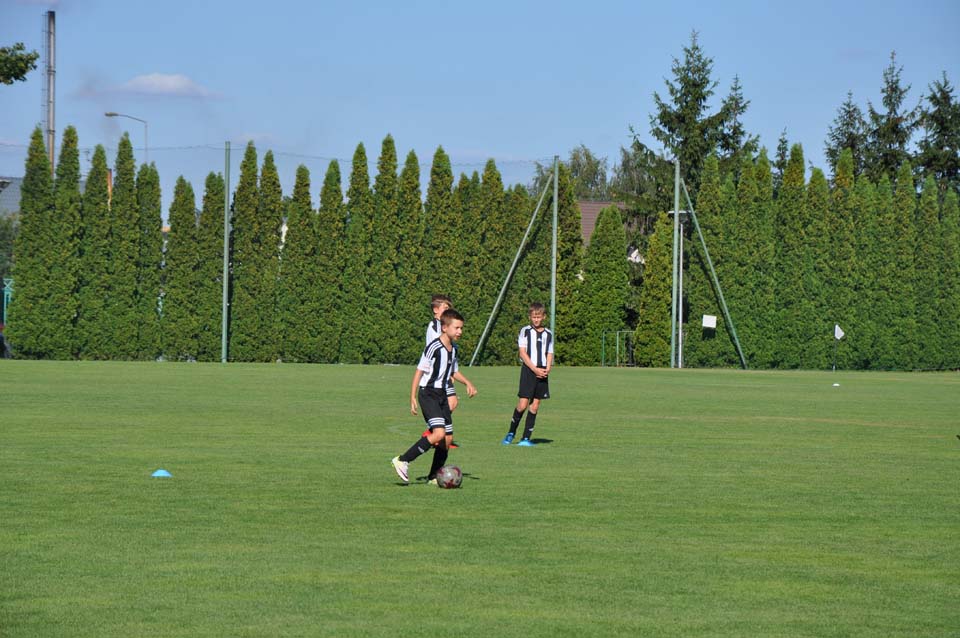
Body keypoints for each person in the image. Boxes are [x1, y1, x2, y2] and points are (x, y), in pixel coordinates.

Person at [392, 308, 477, 485]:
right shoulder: (434, 347)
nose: (460, 331)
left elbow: (453, 371)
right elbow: (419, 371)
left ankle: (433, 476)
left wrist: (467, 383)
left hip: (442, 395)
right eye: (457, 328)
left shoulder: (453, 349)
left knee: (447, 439)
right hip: (428, 394)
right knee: (438, 434)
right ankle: (403, 460)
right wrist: (412, 397)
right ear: (445, 328)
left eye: (461, 328)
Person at [502, 302, 553, 446]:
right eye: (534, 317)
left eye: (539, 317)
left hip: (542, 371)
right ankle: (511, 432)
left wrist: (548, 368)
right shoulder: (525, 331)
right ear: (530, 317)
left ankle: (525, 438)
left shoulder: (548, 334)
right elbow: (522, 353)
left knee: (535, 405)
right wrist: (535, 369)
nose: (536, 319)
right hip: (529, 370)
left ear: (543, 317)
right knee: (523, 404)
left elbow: (549, 352)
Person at [423, 294, 461, 448]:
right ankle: (435, 433)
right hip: (437, 374)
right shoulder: (434, 326)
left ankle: (438, 434)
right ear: (435, 310)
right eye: (445, 308)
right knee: (450, 402)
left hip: (445, 372)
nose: (447, 310)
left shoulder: (444, 326)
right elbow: (438, 347)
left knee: (452, 402)